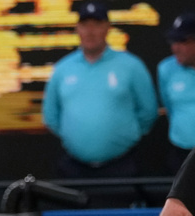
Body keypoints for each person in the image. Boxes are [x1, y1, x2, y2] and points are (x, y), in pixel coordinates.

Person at [42, 1, 158, 179]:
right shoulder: (62, 69)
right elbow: (51, 116)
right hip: (73, 168)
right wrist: (75, 136)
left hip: (122, 166)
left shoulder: (131, 66)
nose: (90, 31)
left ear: (108, 28)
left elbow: (148, 112)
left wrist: (123, 136)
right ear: (77, 29)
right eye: (85, 25)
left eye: (97, 25)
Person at [158, 13, 195, 175]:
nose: (175, 47)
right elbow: (169, 108)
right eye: (173, 41)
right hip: (181, 155)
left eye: (182, 41)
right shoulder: (166, 69)